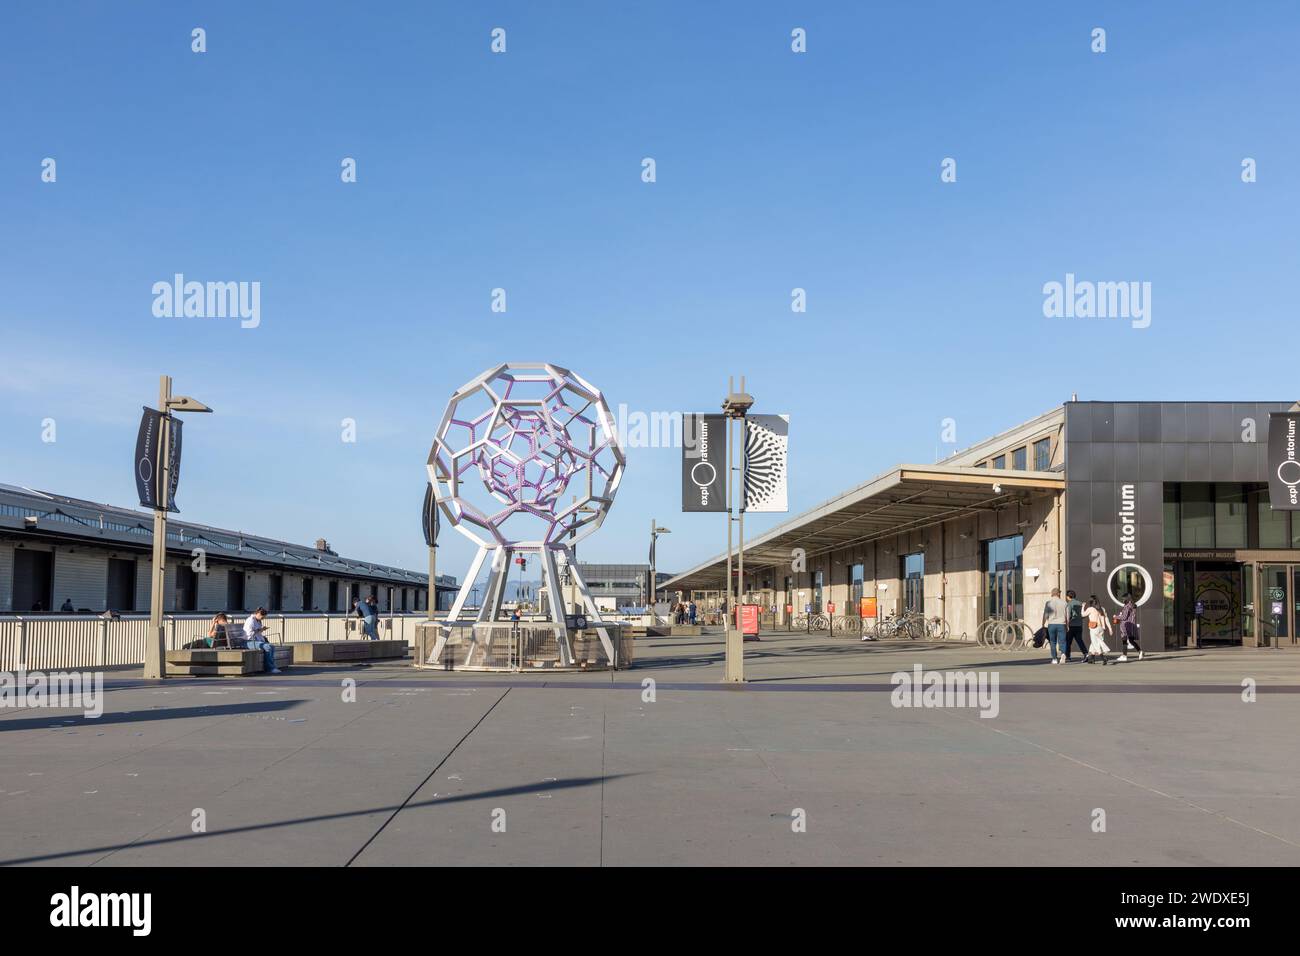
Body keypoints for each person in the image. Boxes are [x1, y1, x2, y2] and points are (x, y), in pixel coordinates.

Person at [242, 607, 281, 674]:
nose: (262, 618)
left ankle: (272, 666)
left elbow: (257, 632)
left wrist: (261, 629)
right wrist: (260, 630)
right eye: (262, 617)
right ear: (258, 614)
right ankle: (270, 668)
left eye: (264, 617)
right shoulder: (250, 620)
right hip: (248, 641)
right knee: (267, 647)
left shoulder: (258, 620)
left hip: (255, 641)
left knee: (271, 646)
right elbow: (249, 634)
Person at [1041, 588, 1069, 664]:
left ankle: (1054, 659)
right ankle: (1063, 654)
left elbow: (1046, 615)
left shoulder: (1048, 603)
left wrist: (1043, 624)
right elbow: (1067, 616)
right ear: (1058, 594)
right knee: (1062, 641)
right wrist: (1067, 625)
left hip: (1052, 624)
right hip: (1062, 624)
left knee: (1052, 642)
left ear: (1052, 594)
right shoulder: (1064, 603)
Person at [1082, 595, 1112, 665]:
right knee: (1094, 643)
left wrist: (1083, 606)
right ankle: (1091, 659)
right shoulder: (1102, 609)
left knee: (1095, 644)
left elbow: (1083, 615)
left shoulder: (1090, 609)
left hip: (1094, 628)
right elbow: (1106, 619)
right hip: (1101, 628)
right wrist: (1110, 628)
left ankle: (1103, 657)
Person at [1115, 595, 1142, 662]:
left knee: (1124, 640)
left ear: (1127, 599)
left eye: (1123, 599)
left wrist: (1116, 617)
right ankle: (1140, 651)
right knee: (1131, 640)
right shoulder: (1132, 605)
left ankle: (1124, 656)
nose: (1122, 600)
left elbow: (1124, 617)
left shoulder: (1127, 606)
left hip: (1126, 625)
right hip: (1131, 625)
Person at [1064, 589, 1088, 661]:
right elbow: (1083, 615)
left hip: (1071, 625)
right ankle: (1085, 654)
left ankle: (1068, 656)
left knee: (1068, 641)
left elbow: (1068, 615)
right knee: (1079, 640)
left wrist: (1067, 623)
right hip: (1079, 625)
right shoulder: (1080, 603)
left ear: (1068, 596)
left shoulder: (1069, 604)